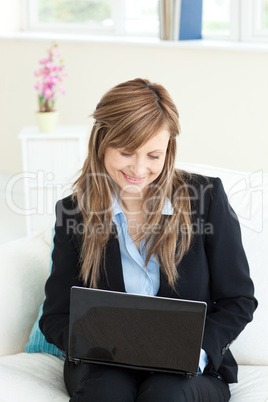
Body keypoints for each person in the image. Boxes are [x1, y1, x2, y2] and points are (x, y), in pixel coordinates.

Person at [39, 78, 257, 402]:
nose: (139, 169)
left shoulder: (206, 198)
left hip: (187, 371)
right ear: (102, 143)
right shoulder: (74, 212)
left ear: (168, 150)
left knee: (165, 393)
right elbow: (56, 316)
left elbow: (238, 301)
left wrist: (196, 354)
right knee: (105, 391)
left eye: (154, 155)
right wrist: (92, 345)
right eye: (127, 152)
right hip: (104, 365)